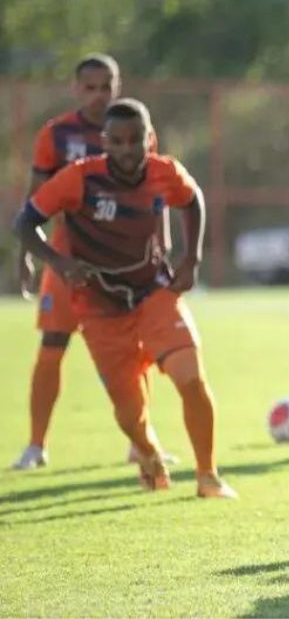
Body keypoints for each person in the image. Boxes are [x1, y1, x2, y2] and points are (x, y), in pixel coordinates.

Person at [13, 98, 235, 498]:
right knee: (131, 414)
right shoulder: (78, 178)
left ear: (149, 139)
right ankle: (147, 451)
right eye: (118, 141)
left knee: (192, 379)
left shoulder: (164, 171)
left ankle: (208, 476)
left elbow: (192, 199)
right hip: (99, 308)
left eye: (136, 140)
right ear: (105, 143)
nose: (127, 149)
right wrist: (58, 263)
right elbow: (25, 222)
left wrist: (191, 258)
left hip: (154, 293)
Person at [11, 54, 174, 471]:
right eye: (90, 87)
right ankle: (35, 445)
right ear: (75, 89)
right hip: (69, 260)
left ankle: (141, 444)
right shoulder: (56, 135)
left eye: (107, 86)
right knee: (52, 346)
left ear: (117, 87)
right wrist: (28, 256)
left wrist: (164, 249)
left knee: (135, 352)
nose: (99, 94)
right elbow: (33, 204)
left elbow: (157, 191)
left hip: (124, 262)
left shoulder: (135, 129)